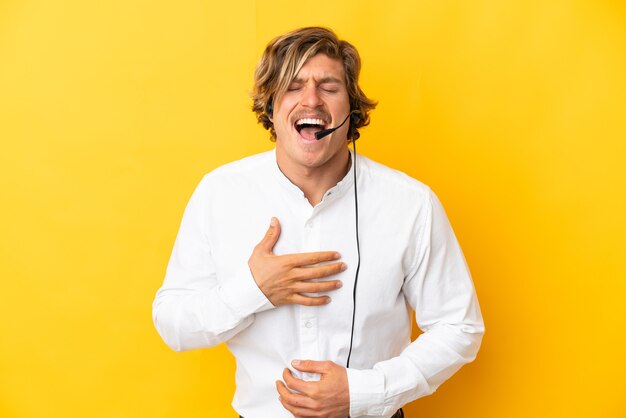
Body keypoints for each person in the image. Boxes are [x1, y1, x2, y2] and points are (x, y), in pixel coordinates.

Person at [153, 27, 484, 418]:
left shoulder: (410, 203)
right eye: (293, 86)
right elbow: (173, 324)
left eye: (328, 86)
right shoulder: (219, 193)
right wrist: (254, 289)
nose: (311, 99)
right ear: (271, 107)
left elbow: (459, 327)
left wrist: (365, 391)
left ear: (352, 110)